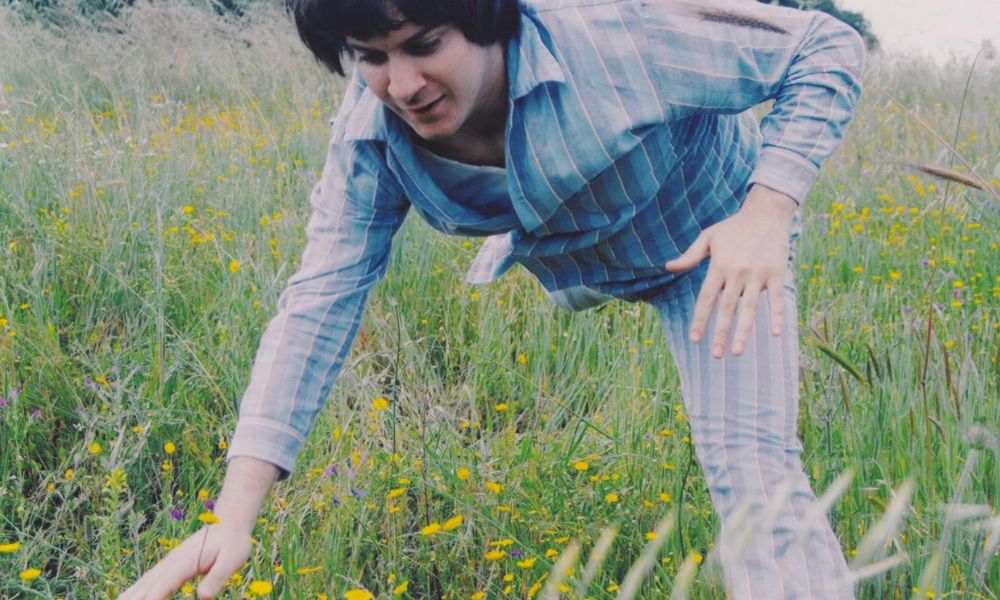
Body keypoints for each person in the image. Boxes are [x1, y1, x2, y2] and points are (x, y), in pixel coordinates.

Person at [121, 0, 864, 598]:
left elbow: (823, 46)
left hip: (716, 249)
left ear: (486, 18)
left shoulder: (613, 32)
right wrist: (232, 515)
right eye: (369, 56)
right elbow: (319, 299)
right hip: (580, 255)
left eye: (424, 44)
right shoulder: (371, 138)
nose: (401, 84)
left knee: (751, 467)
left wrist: (769, 210)